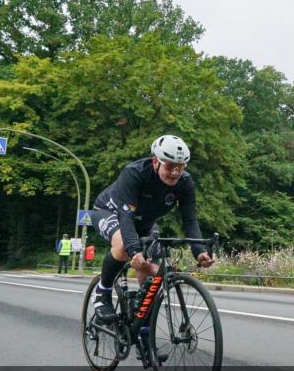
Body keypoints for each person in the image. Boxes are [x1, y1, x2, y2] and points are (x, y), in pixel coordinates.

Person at [89, 135, 214, 323]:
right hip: (111, 211)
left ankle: (142, 327)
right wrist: (134, 251)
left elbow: (189, 219)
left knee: (150, 279)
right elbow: (127, 216)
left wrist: (199, 251)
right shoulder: (134, 173)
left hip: (145, 222)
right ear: (156, 161)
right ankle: (102, 291)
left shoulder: (185, 183)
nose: (174, 172)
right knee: (124, 247)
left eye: (180, 167)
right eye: (170, 166)